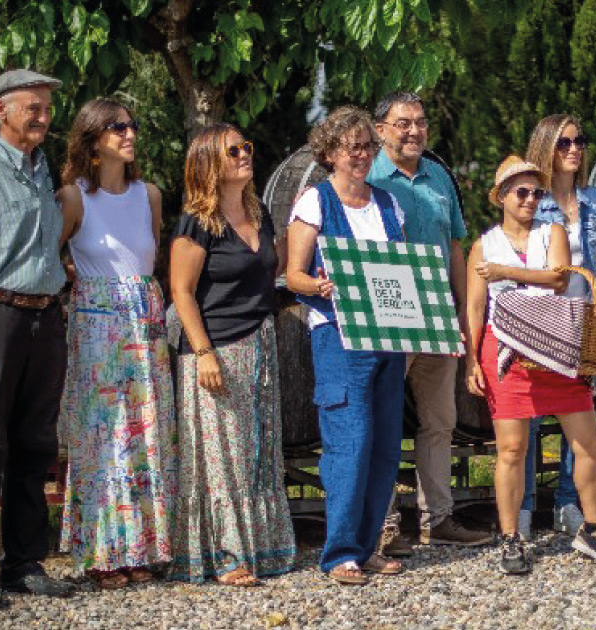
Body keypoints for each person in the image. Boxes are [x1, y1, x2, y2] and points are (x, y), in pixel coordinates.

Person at [466, 155, 596, 575]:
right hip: (505, 351)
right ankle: (510, 537)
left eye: (536, 192)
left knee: (587, 440)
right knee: (512, 449)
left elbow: (558, 278)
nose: (531, 199)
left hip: (557, 345)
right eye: (521, 191)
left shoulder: (550, 231)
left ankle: (593, 529)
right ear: (501, 196)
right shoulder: (484, 244)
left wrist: (502, 271)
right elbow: (475, 307)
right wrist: (471, 362)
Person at [56, 98, 177, 588]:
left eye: (132, 124)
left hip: (146, 324)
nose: (129, 134)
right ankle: (105, 552)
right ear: (93, 139)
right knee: (103, 440)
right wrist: (79, 279)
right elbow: (50, 256)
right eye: (117, 127)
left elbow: (150, 257)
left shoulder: (149, 194)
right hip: (97, 329)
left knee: (147, 435)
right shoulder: (73, 197)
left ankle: (144, 547)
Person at [169, 123, 295, 585]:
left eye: (248, 147)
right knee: (223, 456)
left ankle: (264, 545)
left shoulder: (259, 213)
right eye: (233, 150)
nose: (245, 154)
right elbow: (181, 291)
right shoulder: (196, 222)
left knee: (259, 449)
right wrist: (203, 353)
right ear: (209, 163)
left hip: (260, 342)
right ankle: (224, 554)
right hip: (215, 345)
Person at [286, 106, 407, 585]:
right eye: (352, 147)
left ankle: (369, 543)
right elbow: (293, 273)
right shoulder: (314, 202)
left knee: (384, 447)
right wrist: (320, 286)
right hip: (338, 336)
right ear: (330, 152)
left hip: (389, 337)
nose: (361, 155)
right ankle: (340, 554)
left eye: (367, 146)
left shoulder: (388, 204)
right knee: (350, 443)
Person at [368, 91, 491, 554]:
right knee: (382, 421)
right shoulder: (369, 178)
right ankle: (383, 525)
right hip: (388, 316)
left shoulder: (439, 176)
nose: (413, 130)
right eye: (403, 123)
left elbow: (455, 245)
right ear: (380, 129)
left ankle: (437, 519)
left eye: (420, 122)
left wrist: (462, 308)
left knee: (439, 422)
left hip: (437, 315)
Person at [0, 69, 74, 609]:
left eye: (46, 108)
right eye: (32, 107)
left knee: (36, 444)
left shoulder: (41, 170)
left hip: (44, 319)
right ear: (1, 111)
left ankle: (23, 563)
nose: (42, 116)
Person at [506, 114, 596, 539]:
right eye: (563, 142)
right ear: (545, 148)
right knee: (529, 418)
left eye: (579, 141)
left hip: (584, 321)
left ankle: (569, 504)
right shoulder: (531, 198)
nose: (574, 149)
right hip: (540, 319)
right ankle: (524, 507)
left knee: (582, 418)